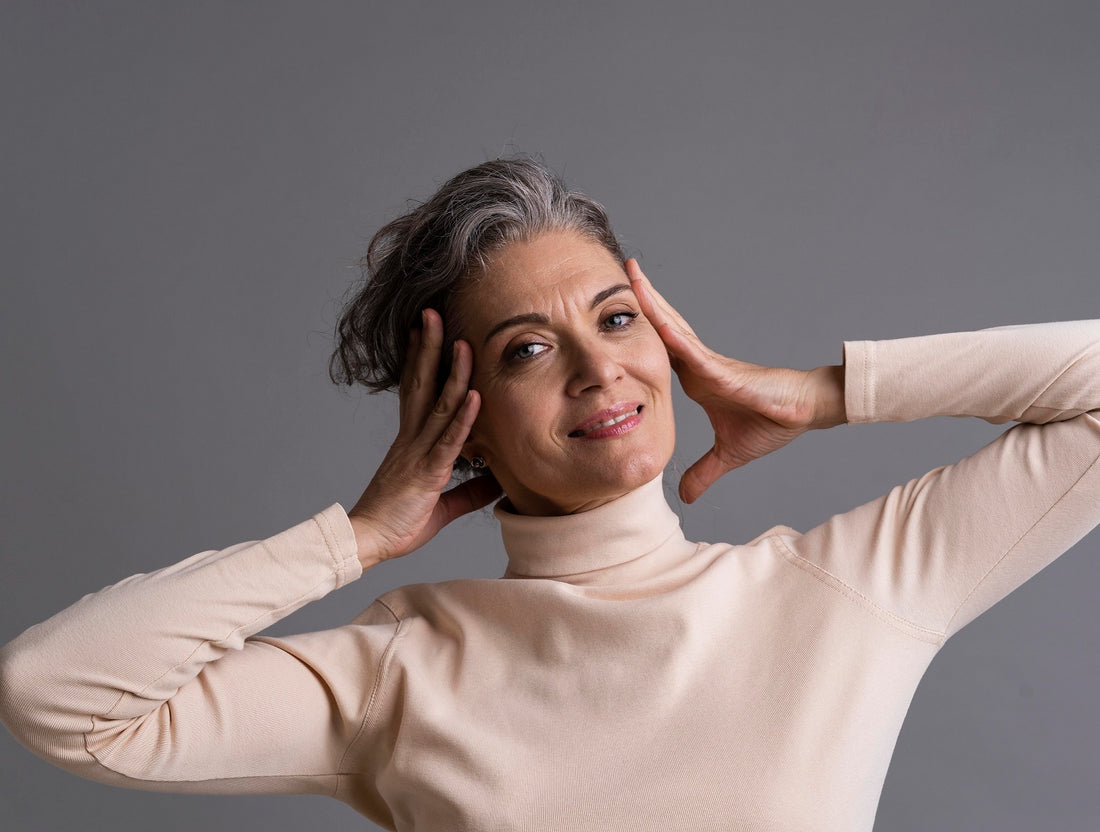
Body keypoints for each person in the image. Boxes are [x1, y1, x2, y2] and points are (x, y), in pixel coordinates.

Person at [0, 156, 1098, 832]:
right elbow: (54, 695)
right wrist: (356, 538)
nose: (598, 368)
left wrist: (817, 393)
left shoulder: (837, 592)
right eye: (528, 347)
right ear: (461, 414)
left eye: (616, 318)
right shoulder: (403, 669)